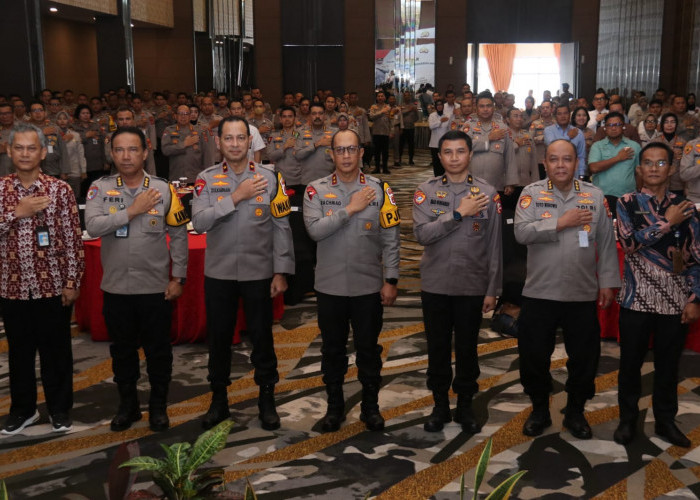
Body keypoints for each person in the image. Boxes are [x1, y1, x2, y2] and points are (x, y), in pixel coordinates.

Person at [192, 116, 294, 431]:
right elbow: (200, 222)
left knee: (263, 338)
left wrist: (281, 271)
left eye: (241, 138)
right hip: (220, 274)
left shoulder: (271, 177)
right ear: (219, 142)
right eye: (229, 139)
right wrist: (235, 197)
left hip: (259, 273)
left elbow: (281, 227)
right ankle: (218, 400)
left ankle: (267, 399)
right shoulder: (206, 179)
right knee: (219, 339)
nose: (235, 144)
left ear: (250, 142)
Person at [514, 139, 621, 439]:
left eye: (567, 159)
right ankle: (539, 408)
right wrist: (560, 223)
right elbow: (521, 233)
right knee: (534, 356)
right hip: (540, 292)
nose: (561, 165)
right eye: (554, 159)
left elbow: (606, 244)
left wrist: (608, 282)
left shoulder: (594, 196)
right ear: (545, 163)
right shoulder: (531, 194)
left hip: (581, 292)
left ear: (577, 163)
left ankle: (575, 410)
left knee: (585, 358)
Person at [85, 127, 189, 432]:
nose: (126, 156)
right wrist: (131, 211)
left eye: (133, 150)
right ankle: (127, 406)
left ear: (145, 152)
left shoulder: (163, 188)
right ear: (111, 154)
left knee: (159, 353)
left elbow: (179, 235)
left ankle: (158, 407)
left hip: (156, 289)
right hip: (116, 289)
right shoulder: (100, 189)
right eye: (119, 150)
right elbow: (92, 226)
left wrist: (178, 277)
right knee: (122, 353)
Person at [303, 129, 400, 433]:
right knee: (332, 351)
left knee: (369, 351)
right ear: (330, 154)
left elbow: (391, 238)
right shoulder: (315, 190)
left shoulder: (380, 189)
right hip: (330, 286)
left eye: (351, 150)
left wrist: (392, 279)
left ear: (361, 153)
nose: (345, 156)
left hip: (368, 286)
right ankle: (335, 409)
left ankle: (370, 408)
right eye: (340, 150)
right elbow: (315, 231)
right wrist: (351, 208)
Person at [413, 130, 502, 433]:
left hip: (472, 286)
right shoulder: (425, 191)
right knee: (437, 348)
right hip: (436, 284)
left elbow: (494, 246)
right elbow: (422, 234)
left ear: (470, 155)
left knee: (467, 349)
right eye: (447, 152)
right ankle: (439, 406)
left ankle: (465, 405)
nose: (453, 158)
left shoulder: (487, 193)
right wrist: (457, 214)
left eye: (460, 152)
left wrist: (493, 289)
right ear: (439, 157)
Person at [613, 142, 700, 447]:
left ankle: (665, 422)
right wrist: (668, 223)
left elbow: (695, 258)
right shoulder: (626, 203)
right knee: (629, 366)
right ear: (639, 169)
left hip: (675, 303)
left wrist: (694, 299)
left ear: (672, 169)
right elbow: (629, 244)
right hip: (635, 300)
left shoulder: (686, 207)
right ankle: (627, 421)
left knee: (668, 367)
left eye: (660, 163)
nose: (653, 168)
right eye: (647, 163)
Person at [0, 122, 84, 435]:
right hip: (11, 288)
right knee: (19, 354)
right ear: (9, 151)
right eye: (18, 147)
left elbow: (72, 239)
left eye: (31, 147)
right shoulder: (0, 190)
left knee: (57, 353)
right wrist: (15, 213)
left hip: (52, 286)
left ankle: (59, 410)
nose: (24, 153)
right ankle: (23, 411)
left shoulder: (59, 190)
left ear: (42, 151)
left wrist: (72, 281)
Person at [589, 112, 641, 217]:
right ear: (605, 128)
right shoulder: (597, 146)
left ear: (623, 127)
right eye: (610, 125)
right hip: (602, 197)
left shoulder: (634, 146)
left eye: (617, 125)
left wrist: (639, 195)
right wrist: (618, 158)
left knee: (626, 230)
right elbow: (593, 168)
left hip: (627, 197)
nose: (613, 128)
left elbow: (639, 172)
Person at [161, 104, 208, 183]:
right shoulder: (169, 130)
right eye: (180, 114)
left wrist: (207, 176)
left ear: (190, 116)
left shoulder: (200, 131)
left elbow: (207, 155)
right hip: (176, 177)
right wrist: (184, 144)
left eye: (186, 114)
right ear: (175, 116)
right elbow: (165, 150)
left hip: (196, 177)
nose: (183, 116)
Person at [544, 103, 587, 179]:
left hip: (573, 176)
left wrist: (581, 175)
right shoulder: (548, 130)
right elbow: (555, 146)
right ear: (555, 116)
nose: (563, 116)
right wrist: (569, 136)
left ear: (570, 115)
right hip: (554, 174)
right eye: (559, 114)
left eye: (565, 113)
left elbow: (581, 156)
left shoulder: (578, 132)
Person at [652, 113, 686, 197]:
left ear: (676, 125)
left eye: (672, 122)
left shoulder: (683, 142)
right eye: (666, 122)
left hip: (678, 184)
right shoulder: (655, 142)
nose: (669, 125)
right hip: (659, 182)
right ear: (662, 125)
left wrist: (686, 186)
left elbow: (686, 165)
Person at [55, 110, 86, 198]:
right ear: (56, 121)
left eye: (65, 119)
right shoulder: (53, 135)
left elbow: (81, 154)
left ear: (68, 121)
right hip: (59, 172)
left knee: (75, 198)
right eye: (59, 119)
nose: (62, 121)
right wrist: (63, 140)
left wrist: (83, 170)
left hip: (74, 171)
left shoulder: (75, 135)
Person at [368, 91, 392, 174]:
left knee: (385, 152)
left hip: (385, 132)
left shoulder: (388, 107)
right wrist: (381, 112)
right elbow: (371, 117)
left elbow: (391, 120)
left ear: (385, 98)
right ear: (376, 98)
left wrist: (391, 131)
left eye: (382, 96)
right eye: (379, 96)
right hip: (376, 132)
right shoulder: (373, 107)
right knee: (376, 151)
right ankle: (377, 168)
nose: (380, 97)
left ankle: (385, 168)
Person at [428, 99, 451, 176]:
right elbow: (431, 126)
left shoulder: (447, 115)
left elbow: (449, 128)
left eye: (441, 105)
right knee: (436, 163)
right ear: (435, 106)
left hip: (445, 143)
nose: (439, 106)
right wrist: (440, 121)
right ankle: (436, 179)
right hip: (434, 143)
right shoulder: (432, 115)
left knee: (445, 162)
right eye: (437, 105)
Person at [399, 90, 419, 166]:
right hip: (402, 128)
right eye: (405, 95)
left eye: (408, 95)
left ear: (410, 97)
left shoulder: (413, 106)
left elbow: (417, 118)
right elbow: (400, 114)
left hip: (411, 128)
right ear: (403, 97)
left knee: (411, 145)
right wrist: (409, 110)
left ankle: (411, 160)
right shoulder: (400, 106)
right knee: (401, 145)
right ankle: (399, 159)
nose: (407, 97)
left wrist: (415, 112)